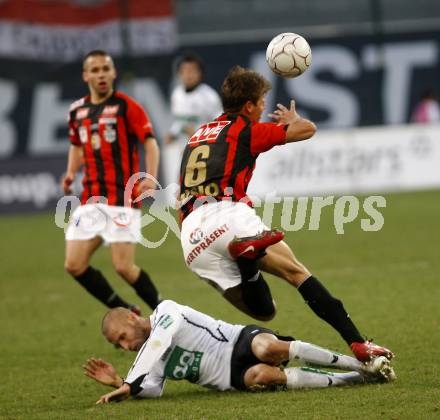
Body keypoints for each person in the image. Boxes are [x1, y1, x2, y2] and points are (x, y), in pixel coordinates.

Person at [178, 65, 393, 362]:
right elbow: (307, 129)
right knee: (297, 273)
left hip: (190, 235)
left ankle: (248, 261)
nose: (264, 109)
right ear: (249, 106)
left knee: (264, 311)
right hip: (229, 216)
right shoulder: (245, 130)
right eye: (262, 103)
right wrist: (294, 120)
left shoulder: (198, 135)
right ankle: (357, 343)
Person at [83, 301, 395, 403]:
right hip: (232, 377)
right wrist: (118, 383)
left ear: (131, 318)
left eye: (122, 337)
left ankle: (361, 362)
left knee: (267, 347)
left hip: (239, 340)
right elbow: (151, 389)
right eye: (118, 346)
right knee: (262, 374)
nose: (125, 346)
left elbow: (160, 340)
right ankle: (358, 378)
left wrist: (128, 382)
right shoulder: (146, 362)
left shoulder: (166, 310)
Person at [62, 50, 161, 313]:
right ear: (86, 76)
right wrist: (71, 172)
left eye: (105, 68)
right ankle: (124, 309)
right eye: (95, 70)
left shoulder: (127, 106)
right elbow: (77, 145)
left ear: (113, 72)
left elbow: (150, 143)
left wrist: (150, 177)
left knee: (123, 268)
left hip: (122, 199)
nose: (101, 74)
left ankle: (165, 312)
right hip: (91, 199)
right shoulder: (76, 111)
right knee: (74, 265)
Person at [165, 52, 222, 148]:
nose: (188, 75)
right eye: (184, 71)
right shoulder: (177, 94)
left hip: (206, 147)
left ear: (200, 73)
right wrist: (172, 134)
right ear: (179, 74)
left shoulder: (209, 95)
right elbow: (180, 121)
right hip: (183, 147)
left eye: (192, 71)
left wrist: (199, 132)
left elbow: (220, 124)